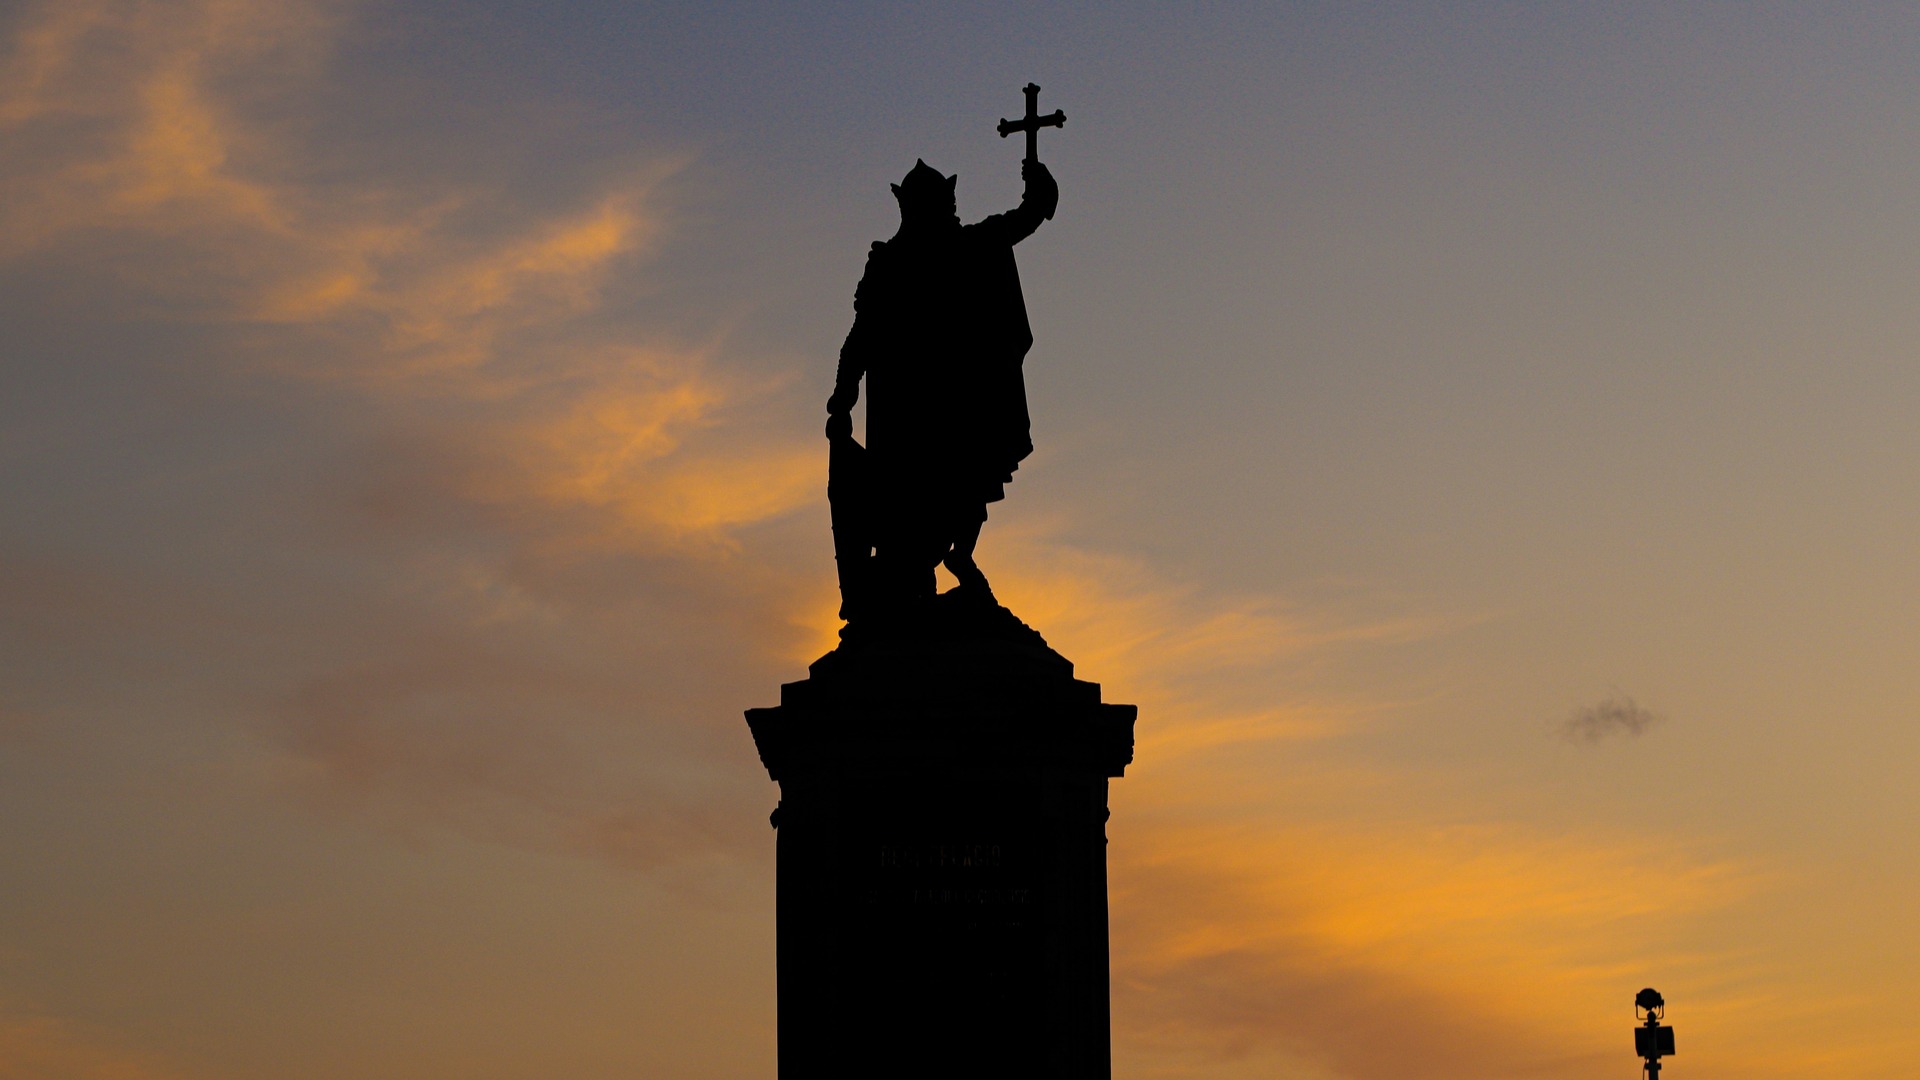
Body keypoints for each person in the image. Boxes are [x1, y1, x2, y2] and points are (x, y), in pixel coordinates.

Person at [827, 157, 1059, 622]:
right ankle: (923, 579)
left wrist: (1039, 187)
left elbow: (1025, 218)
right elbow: (862, 335)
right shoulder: (896, 263)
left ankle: (943, 566)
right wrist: (844, 393)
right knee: (929, 501)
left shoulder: (947, 250)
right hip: (913, 423)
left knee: (960, 489)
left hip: (947, 416)